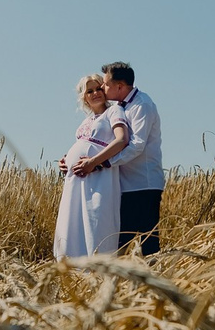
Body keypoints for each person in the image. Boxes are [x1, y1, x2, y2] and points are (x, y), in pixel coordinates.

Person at [71, 60, 163, 255]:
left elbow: (136, 146)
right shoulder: (120, 108)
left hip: (143, 184)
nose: (102, 88)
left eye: (105, 84)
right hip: (123, 184)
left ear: (119, 86)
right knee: (119, 240)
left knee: (148, 242)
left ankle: (154, 280)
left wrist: (101, 163)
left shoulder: (142, 105)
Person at [52, 71, 127, 259]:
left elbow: (121, 140)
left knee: (96, 219)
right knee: (73, 221)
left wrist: (93, 162)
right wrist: (66, 160)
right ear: (84, 98)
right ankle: (73, 270)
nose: (95, 93)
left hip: (99, 176)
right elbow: (83, 145)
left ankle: (98, 268)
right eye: (89, 91)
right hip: (76, 180)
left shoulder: (114, 111)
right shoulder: (86, 122)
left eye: (98, 88)